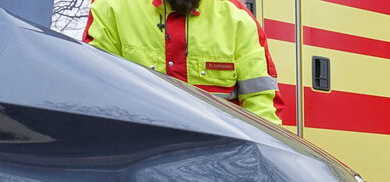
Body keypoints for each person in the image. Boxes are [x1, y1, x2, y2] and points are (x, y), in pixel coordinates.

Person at [83, 0, 284, 125]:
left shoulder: (237, 18)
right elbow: (94, 91)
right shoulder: (111, 6)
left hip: (218, 164)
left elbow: (262, 105)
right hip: (135, 157)